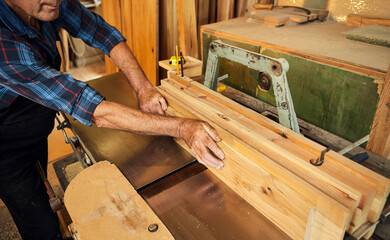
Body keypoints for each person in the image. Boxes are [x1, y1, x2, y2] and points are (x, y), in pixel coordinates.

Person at [0, 0, 225, 239]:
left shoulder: (49, 3)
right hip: (5, 141)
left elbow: (103, 34)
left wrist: (143, 88)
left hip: (33, 118)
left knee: (39, 177)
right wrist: (182, 127)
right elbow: (87, 106)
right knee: (38, 221)